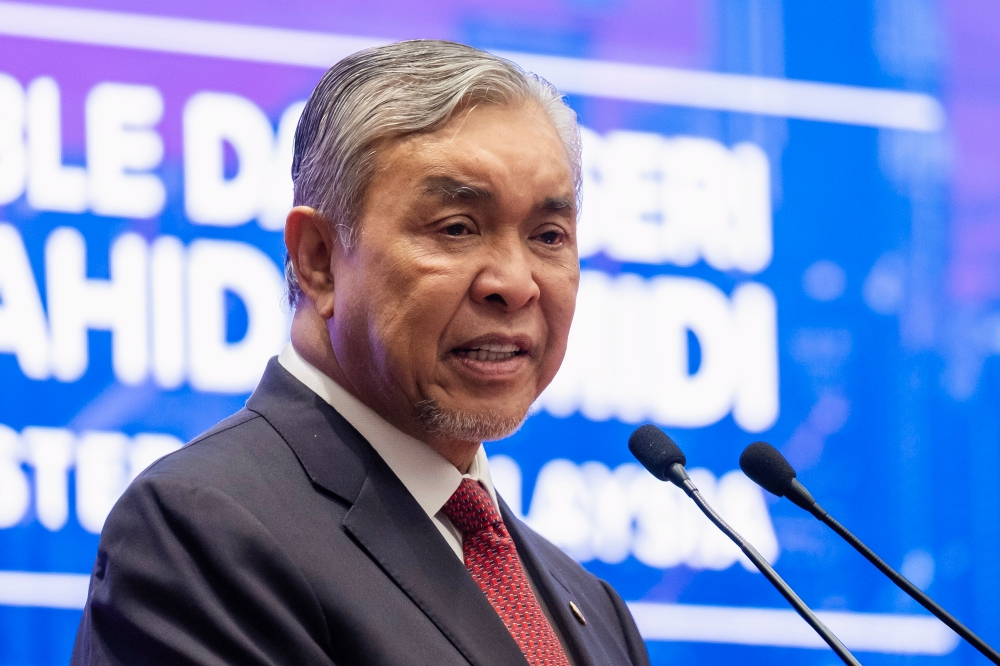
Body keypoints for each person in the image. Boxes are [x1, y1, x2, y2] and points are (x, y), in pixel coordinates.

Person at [71, 40, 650, 666]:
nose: (514, 282)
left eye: (548, 236)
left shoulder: (592, 610)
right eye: (456, 227)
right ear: (318, 259)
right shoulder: (202, 529)